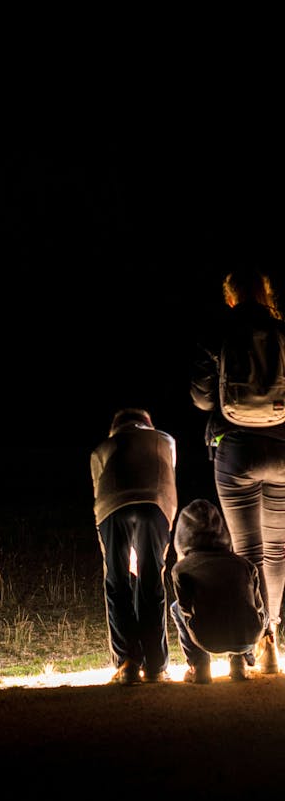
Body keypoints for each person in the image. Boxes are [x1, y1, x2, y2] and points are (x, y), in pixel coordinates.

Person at [190, 267, 285, 674]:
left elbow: (201, 399)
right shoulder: (282, 331)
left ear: (231, 299)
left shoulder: (217, 332)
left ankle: (251, 643)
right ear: (265, 295)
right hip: (283, 447)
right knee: (278, 549)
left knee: (247, 551)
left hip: (235, 447)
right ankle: (272, 638)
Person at [90, 407, 177, 685]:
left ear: (115, 428)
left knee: (117, 581)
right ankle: (156, 666)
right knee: (151, 580)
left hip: (113, 507)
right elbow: (168, 476)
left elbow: (98, 491)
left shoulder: (103, 448)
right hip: (156, 504)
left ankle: (127, 662)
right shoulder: (164, 440)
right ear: (148, 424)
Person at [170, 498, 268, 683]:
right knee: (252, 605)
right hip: (249, 637)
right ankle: (240, 661)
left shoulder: (181, 570)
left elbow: (186, 610)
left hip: (208, 640)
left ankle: (199, 666)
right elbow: (259, 608)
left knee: (176, 608)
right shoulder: (244, 564)